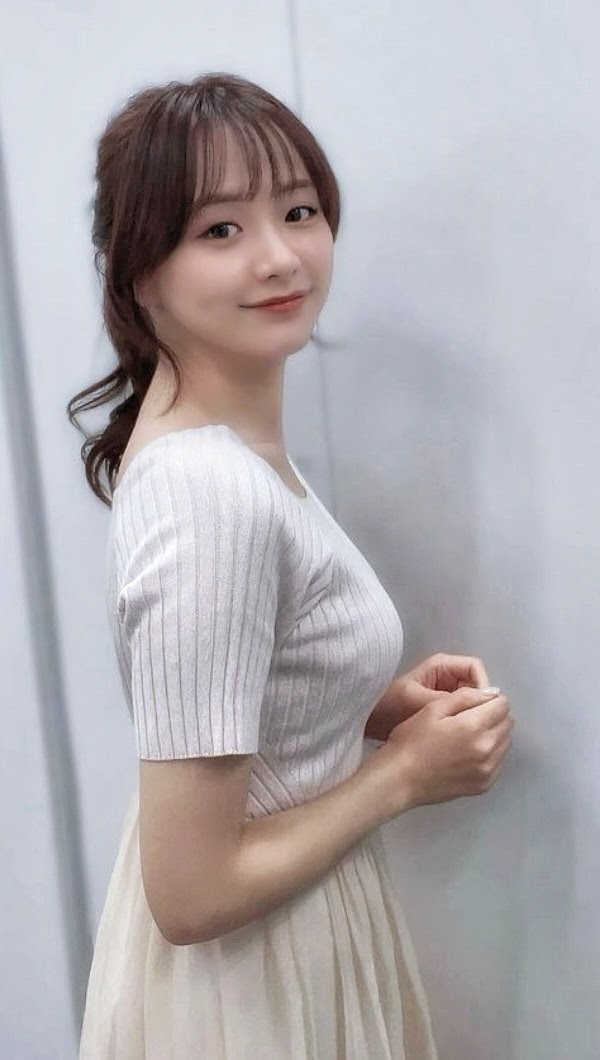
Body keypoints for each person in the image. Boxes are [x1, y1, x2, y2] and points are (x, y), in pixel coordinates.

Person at [68, 71, 514, 1059]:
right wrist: (403, 776)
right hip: (253, 979)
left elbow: (237, 693)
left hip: (285, 943)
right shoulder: (210, 491)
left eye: (299, 211)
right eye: (219, 229)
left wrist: (363, 701)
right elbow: (191, 893)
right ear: (139, 272)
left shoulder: (225, 450)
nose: (278, 256)